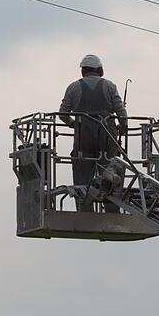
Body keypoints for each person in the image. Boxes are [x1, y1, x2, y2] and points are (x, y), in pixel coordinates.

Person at [58, 54, 128, 212]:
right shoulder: (109, 86)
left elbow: (63, 113)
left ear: (83, 71)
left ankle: (84, 209)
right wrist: (122, 126)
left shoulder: (73, 87)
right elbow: (122, 113)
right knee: (111, 172)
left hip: (83, 138)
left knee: (82, 174)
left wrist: (72, 124)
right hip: (108, 136)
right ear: (100, 70)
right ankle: (112, 210)